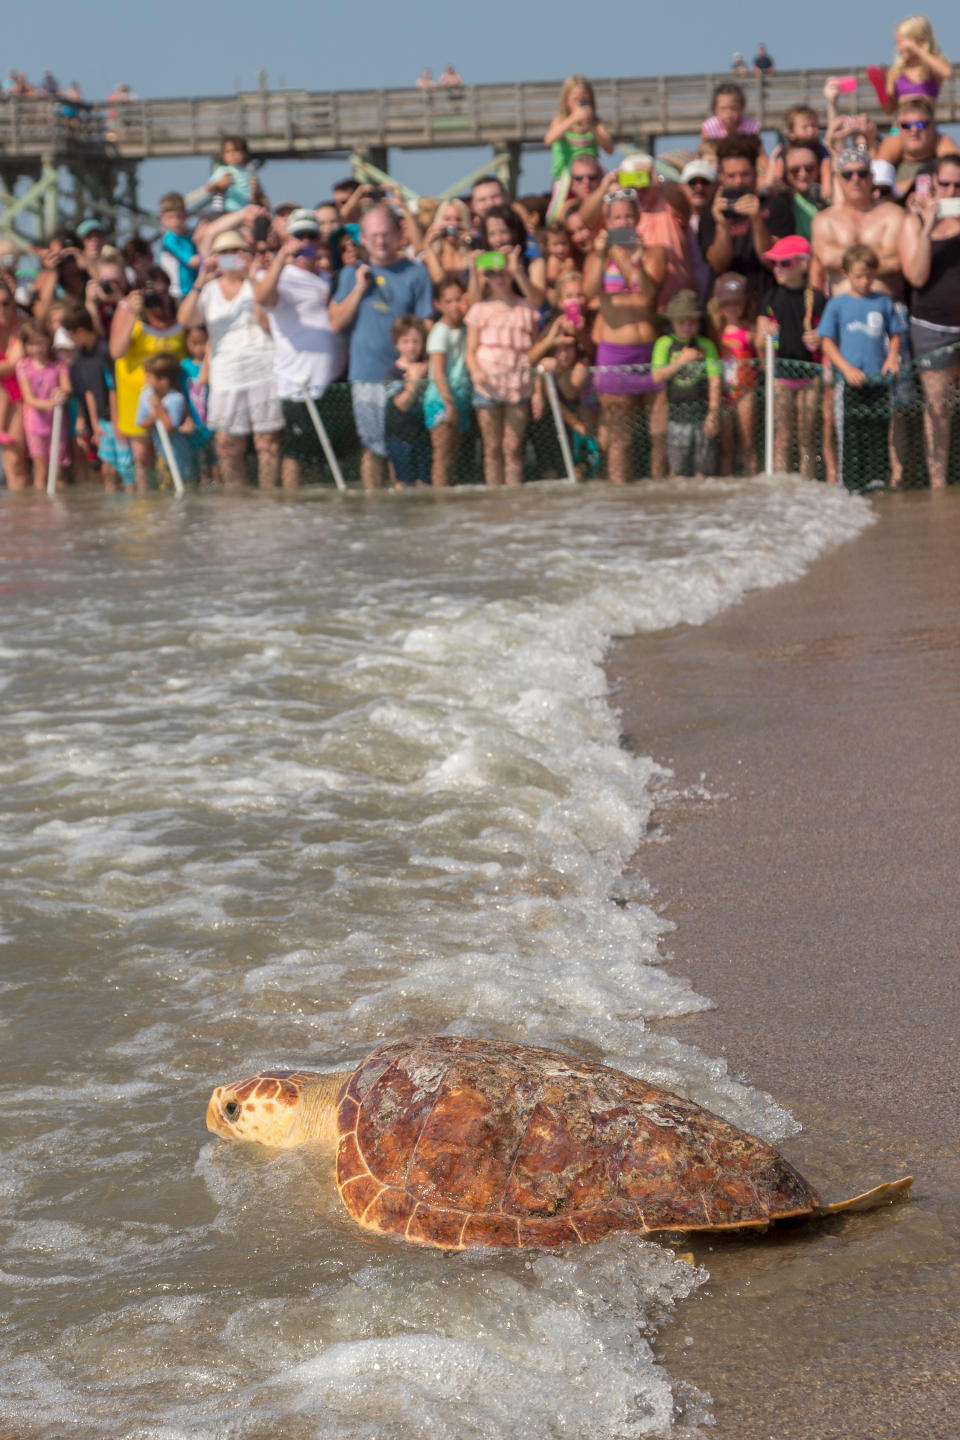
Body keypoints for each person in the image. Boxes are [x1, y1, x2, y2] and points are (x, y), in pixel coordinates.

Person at [328, 204, 433, 489]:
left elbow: (427, 325)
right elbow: (336, 322)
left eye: (386, 234)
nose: (380, 241)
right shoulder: (351, 274)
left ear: (400, 234)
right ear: (362, 238)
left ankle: (407, 517)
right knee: (372, 449)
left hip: (406, 379)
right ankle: (374, 512)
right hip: (366, 377)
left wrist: (421, 370)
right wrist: (360, 289)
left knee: (406, 447)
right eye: (373, 235)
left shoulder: (416, 273)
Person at [177, 229, 282, 488]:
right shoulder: (209, 290)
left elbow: (267, 322)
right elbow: (185, 320)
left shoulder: (257, 282)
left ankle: (269, 502)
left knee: (266, 442)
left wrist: (252, 276)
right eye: (223, 253)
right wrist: (201, 278)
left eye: (235, 252)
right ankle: (235, 504)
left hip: (262, 368)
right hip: (225, 374)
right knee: (227, 445)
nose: (229, 257)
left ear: (245, 254)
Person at [254, 208, 345, 488]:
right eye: (299, 235)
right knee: (296, 453)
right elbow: (263, 299)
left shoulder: (327, 277)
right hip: (297, 384)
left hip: (331, 383)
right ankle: (291, 506)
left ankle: (317, 514)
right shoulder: (279, 276)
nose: (305, 240)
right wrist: (281, 259)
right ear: (287, 238)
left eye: (311, 235)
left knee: (322, 457)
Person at [583, 188, 667, 482]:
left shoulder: (653, 253)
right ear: (607, 221)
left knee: (659, 437)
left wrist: (636, 260)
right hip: (614, 354)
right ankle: (620, 500)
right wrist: (601, 253)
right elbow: (590, 292)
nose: (624, 222)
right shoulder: (599, 256)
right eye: (618, 217)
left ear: (638, 218)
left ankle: (658, 495)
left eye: (629, 216)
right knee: (621, 440)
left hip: (649, 352)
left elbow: (649, 294)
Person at [818, 245, 906, 489]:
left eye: (869, 275)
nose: (865, 281)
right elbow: (827, 342)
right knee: (851, 434)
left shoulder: (883, 301)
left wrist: (892, 358)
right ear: (846, 274)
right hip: (849, 383)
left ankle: (878, 482)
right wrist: (846, 369)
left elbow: (895, 334)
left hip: (878, 380)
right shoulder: (837, 304)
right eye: (858, 276)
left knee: (879, 431)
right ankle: (851, 485)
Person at [899, 153, 960, 487]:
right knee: (938, 410)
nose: (951, 191)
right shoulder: (913, 221)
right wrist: (927, 225)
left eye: (958, 185)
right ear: (932, 182)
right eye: (945, 183)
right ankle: (938, 483)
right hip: (933, 329)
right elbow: (916, 276)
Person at [464, 249, 539, 487]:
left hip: (520, 382)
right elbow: (470, 350)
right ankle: (495, 500)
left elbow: (535, 349)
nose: (499, 277)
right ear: (486, 276)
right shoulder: (478, 309)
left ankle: (514, 499)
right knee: (492, 448)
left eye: (503, 271)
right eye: (492, 273)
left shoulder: (526, 307)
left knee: (513, 447)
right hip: (487, 384)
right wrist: (475, 371)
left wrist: (537, 389)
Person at [756, 237, 826, 478]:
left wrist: (820, 338)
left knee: (808, 436)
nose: (777, 268)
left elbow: (829, 337)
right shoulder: (770, 298)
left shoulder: (818, 299)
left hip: (811, 375)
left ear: (803, 265)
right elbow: (758, 337)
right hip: (780, 376)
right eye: (774, 264)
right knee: (782, 435)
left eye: (784, 263)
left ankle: (810, 480)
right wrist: (763, 328)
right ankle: (780, 486)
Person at [110, 269, 186, 490]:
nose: (158, 298)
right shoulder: (128, 309)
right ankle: (147, 507)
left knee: (174, 454)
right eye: (153, 292)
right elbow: (116, 351)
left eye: (163, 292)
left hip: (174, 396)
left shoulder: (178, 308)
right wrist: (135, 313)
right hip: (137, 396)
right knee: (142, 457)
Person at [699, 136, 792, 302]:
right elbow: (718, 265)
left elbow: (773, 262)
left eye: (745, 174)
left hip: (766, 302)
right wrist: (722, 226)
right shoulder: (710, 214)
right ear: (721, 176)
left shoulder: (776, 206)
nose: (738, 181)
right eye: (731, 176)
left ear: (756, 174)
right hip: (725, 308)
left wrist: (757, 221)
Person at [812, 145, 907, 297]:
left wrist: (845, 260)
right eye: (848, 174)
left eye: (862, 173)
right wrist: (876, 258)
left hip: (888, 307)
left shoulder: (894, 214)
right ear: (838, 179)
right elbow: (826, 258)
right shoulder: (824, 220)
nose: (855, 179)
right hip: (843, 312)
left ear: (871, 177)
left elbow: (896, 261)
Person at [652, 289, 722, 477]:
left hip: (702, 415)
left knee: (703, 470)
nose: (687, 327)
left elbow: (715, 381)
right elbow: (657, 376)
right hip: (676, 417)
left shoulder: (706, 346)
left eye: (692, 322)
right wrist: (680, 362)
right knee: (677, 470)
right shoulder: (663, 344)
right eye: (681, 322)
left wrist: (713, 414)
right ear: (672, 322)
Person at [63, 303, 125, 490]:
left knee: (125, 470)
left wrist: (116, 422)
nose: (69, 340)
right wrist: (86, 421)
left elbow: (114, 388)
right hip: (100, 422)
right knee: (107, 471)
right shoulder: (80, 356)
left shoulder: (106, 351)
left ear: (81, 331)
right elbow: (86, 392)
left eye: (70, 335)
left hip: (117, 419)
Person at [707, 271, 758, 475]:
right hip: (723, 393)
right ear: (719, 305)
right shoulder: (715, 332)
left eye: (738, 303)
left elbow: (764, 358)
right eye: (727, 304)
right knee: (726, 448)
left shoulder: (750, 330)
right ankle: (728, 491)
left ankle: (751, 484)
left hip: (746, 391)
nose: (733, 308)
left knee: (748, 443)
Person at [543, 76, 614, 221]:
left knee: (612, 183)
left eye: (584, 99)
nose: (580, 103)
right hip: (566, 174)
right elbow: (548, 140)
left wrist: (591, 127)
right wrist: (573, 119)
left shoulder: (596, 122)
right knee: (557, 209)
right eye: (575, 99)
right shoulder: (560, 121)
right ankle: (552, 223)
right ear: (566, 101)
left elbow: (609, 148)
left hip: (592, 172)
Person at [424, 276, 471, 488]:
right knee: (442, 457)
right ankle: (440, 501)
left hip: (460, 397)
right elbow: (438, 372)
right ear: (438, 305)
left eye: (458, 299)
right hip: (441, 400)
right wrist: (449, 404)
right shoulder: (439, 331)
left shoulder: (464, 327)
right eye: (448, 301)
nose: (455, 306)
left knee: (453, 458)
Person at [16, 320, 71, 490]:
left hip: (57, 422)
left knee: (59, 470)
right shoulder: (24, 366)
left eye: (41, 342)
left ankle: (60, 512)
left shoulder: (58, 363)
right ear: (25, 346)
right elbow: (29, 399)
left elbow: (67, 387)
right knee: (41, 471)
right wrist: (51, 403)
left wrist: (61, 393)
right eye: (32, 344)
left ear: (48, 341)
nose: (37, 348)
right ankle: (41, 512)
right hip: (35, 424)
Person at [877, 95, 959, 197]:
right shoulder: (888, 152)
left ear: (933, 125)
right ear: (898, 127)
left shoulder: (946, 148)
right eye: (906, 126)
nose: (914, 130)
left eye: (921, 125)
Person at [385, 315, 431, 488]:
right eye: (405, 341)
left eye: (416, 341)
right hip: (398, 434)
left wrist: (423, 372)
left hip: (422, 433)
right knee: (402, 483)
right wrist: (414, 383)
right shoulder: (393, 371)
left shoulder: (428, 366)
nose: (411, 347)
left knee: (424, 483)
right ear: (397, 344)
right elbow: (400, 404)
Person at [135, 353, 195, 484]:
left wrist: (159, 408)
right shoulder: (145, 397)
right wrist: (153, 416)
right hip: (161, 452)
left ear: (164, 381)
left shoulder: (175, 399)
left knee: (185, 483)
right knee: (164, 485)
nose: (146, 380)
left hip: (179, 453)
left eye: (149, 377)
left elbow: (169, 427)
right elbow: (142, 423)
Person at [882, 15, 951, 113]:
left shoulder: (932, 69)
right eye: (896, 43)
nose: (898, 48)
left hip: (925, 125)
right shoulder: (895, 71)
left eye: (901, 43)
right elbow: (889, 110)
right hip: (901, 126)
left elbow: (947, 72)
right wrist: (880, 89)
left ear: (921, 40)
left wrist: (917, 50)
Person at [0, 279, 28, 489]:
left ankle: (20, 516)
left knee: (16, 463)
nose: (1, 308)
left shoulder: (23, 326)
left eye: (5, 303)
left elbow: (13, 364)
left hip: (19, 397)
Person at [681, 158, 717, 305]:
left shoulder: (724, 220)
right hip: (684, 306)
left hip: (716, 301)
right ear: (682, 187)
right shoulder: (674, 219)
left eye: (705, 182)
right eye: (692, 182)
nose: (699, 187)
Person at [782, 142, 830, 242]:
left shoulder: (834, 199)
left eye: (809, 168)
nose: (803, 174)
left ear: (819, 168)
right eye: (795, 170)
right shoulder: (780, 201)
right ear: (785, 171)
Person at [205, 137, 263, 214]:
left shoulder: (251, 173)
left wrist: (255, 191)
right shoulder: (223, 170)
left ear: (245, 153)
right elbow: (208, 188)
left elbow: (261, 195)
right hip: (226, 211)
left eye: (236, 151)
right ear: (223, 155)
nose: (232, 155)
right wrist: (219, 184)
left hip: (246, 211)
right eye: (228, 152)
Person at [158, 192, 199, 300]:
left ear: (186, 216)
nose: (175, 222)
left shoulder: (190, 236)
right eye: (170, 218)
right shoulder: (169, 239)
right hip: (177, 293)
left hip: (193, 289)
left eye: (179, 217)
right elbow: (192, 261)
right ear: (162, 218)